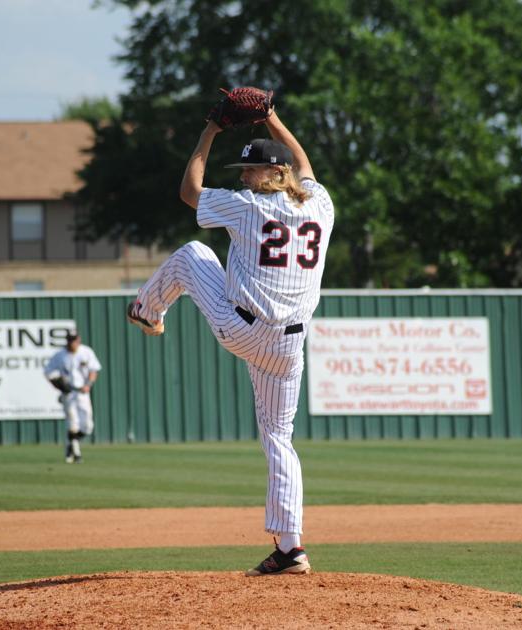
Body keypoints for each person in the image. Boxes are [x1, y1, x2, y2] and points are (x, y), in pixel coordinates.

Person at [126, 106, 334, 576]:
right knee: (280, 437)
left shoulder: (248, 207)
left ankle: (147, 310)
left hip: (242, 328)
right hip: (288, 346)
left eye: (253, 169)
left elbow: (189, 192)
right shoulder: (322, 206)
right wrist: (272, 116)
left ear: (275, 173)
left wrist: (210, 130)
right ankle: (291, 546)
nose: (245, 177)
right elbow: (306, 167)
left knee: (194, 252)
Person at [44, 330, 102, 463]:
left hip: (83, 392)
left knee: (88, 426)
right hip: (68, 392)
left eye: (74, 340)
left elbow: (94, 370)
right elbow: (47, 372)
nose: (72, 343)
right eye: (70, 340)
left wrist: (89, 384)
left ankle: (70, 443)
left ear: (79, 340)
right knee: (73, 422)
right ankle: (76, 454)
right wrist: (57, 384)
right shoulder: (60, 355)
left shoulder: (86, 352)